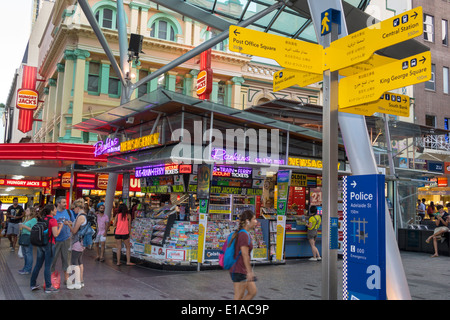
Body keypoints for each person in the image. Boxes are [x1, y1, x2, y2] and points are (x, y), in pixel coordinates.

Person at [30, 203, 64, 293]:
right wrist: (60, 227)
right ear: (51, 211)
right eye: (55, 209)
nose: (56, 210)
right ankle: (48, 287)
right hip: (49, 245)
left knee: (38, 265)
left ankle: (32, 284)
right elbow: (55, 234)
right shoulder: (53, 220)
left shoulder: (42, 219)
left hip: (40, 245)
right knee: (47, 266)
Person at [229, 210, 258, 300]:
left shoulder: (244, 233)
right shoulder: (243, 235)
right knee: (238, 297)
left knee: (252, 291)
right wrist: (249, 272)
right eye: (254, 219)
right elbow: (245, 255)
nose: (256, 221)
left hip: (242, 269)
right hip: (239, 270)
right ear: (247, 221)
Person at [51, 196, 75, 285]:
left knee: (66, 260)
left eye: (65, 202)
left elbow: (73, 222)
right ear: (58, 204)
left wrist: (68, 223)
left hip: (66, 240)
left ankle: (67, 279)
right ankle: (51, 279)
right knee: (53, 259)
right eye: (63, 202)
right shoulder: (53, 213)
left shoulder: (69, 212)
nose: (65, 204)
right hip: (55, 240)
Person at [66, 198, 89, 290]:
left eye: (74, 208)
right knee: (79, 261)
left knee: (74, 261)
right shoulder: (84, 215)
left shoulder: (80, 217)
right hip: (82, 242)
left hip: (78, 242)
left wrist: (68, 225)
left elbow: (75, 231)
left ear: (78, 207)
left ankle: (77, 282)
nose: (73, 210)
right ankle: (81, 281)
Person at [18, 207, 38, 275]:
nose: (25, 211)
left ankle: (28, 269)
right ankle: (25, 268)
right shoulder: (26, 219)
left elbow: (34, 230)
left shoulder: (33, 220)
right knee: (25, 254)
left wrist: (24, 227)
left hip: (29, 237)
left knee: (28, 253)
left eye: (27, 210)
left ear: (31, 212)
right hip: (23, 236)